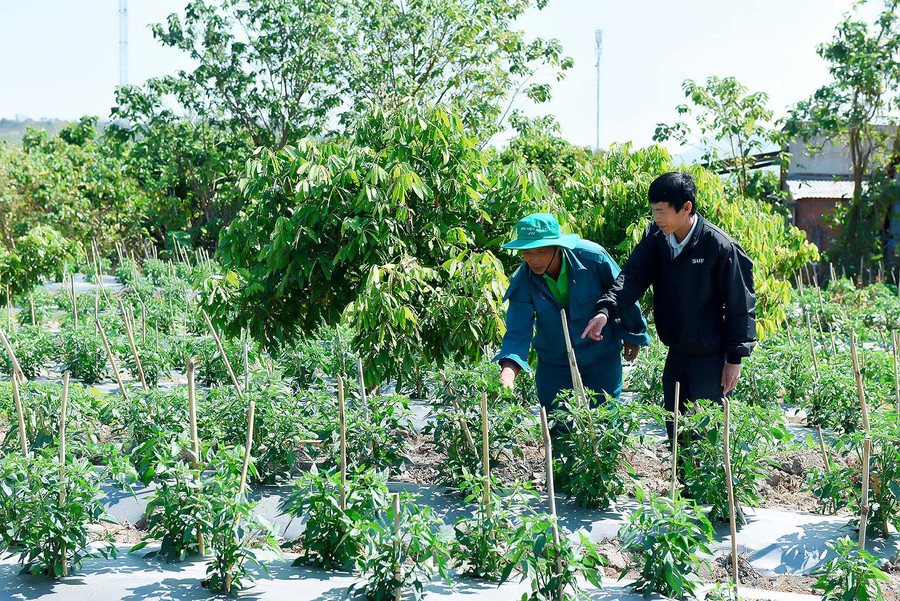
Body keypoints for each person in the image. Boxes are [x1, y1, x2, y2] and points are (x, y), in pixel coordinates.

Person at [581, 172, 756, 437]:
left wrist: (735, 359)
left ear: (686, 208)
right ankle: (681, 466)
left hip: (711, 358)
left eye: (661, 211)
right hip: (676, 352)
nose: (656, 218)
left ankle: (708, 466)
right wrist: (606, 311)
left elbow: (740, 305)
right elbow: (632, 276)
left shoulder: (719, 246)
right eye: (653, 211)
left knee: (705, 434)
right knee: (676, 429)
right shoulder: (656, 238)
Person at [493, 213, 650, 426]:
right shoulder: (523, 280)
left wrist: (632, 335)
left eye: (541, 251)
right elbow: (518, 328)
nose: (534, 260)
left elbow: (623, 294)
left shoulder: (593, 258)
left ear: (558, 247)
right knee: (557, 424)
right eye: (527, 252)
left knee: (604, 423)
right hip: (555, 359)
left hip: (601, 354)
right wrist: (509, 371)